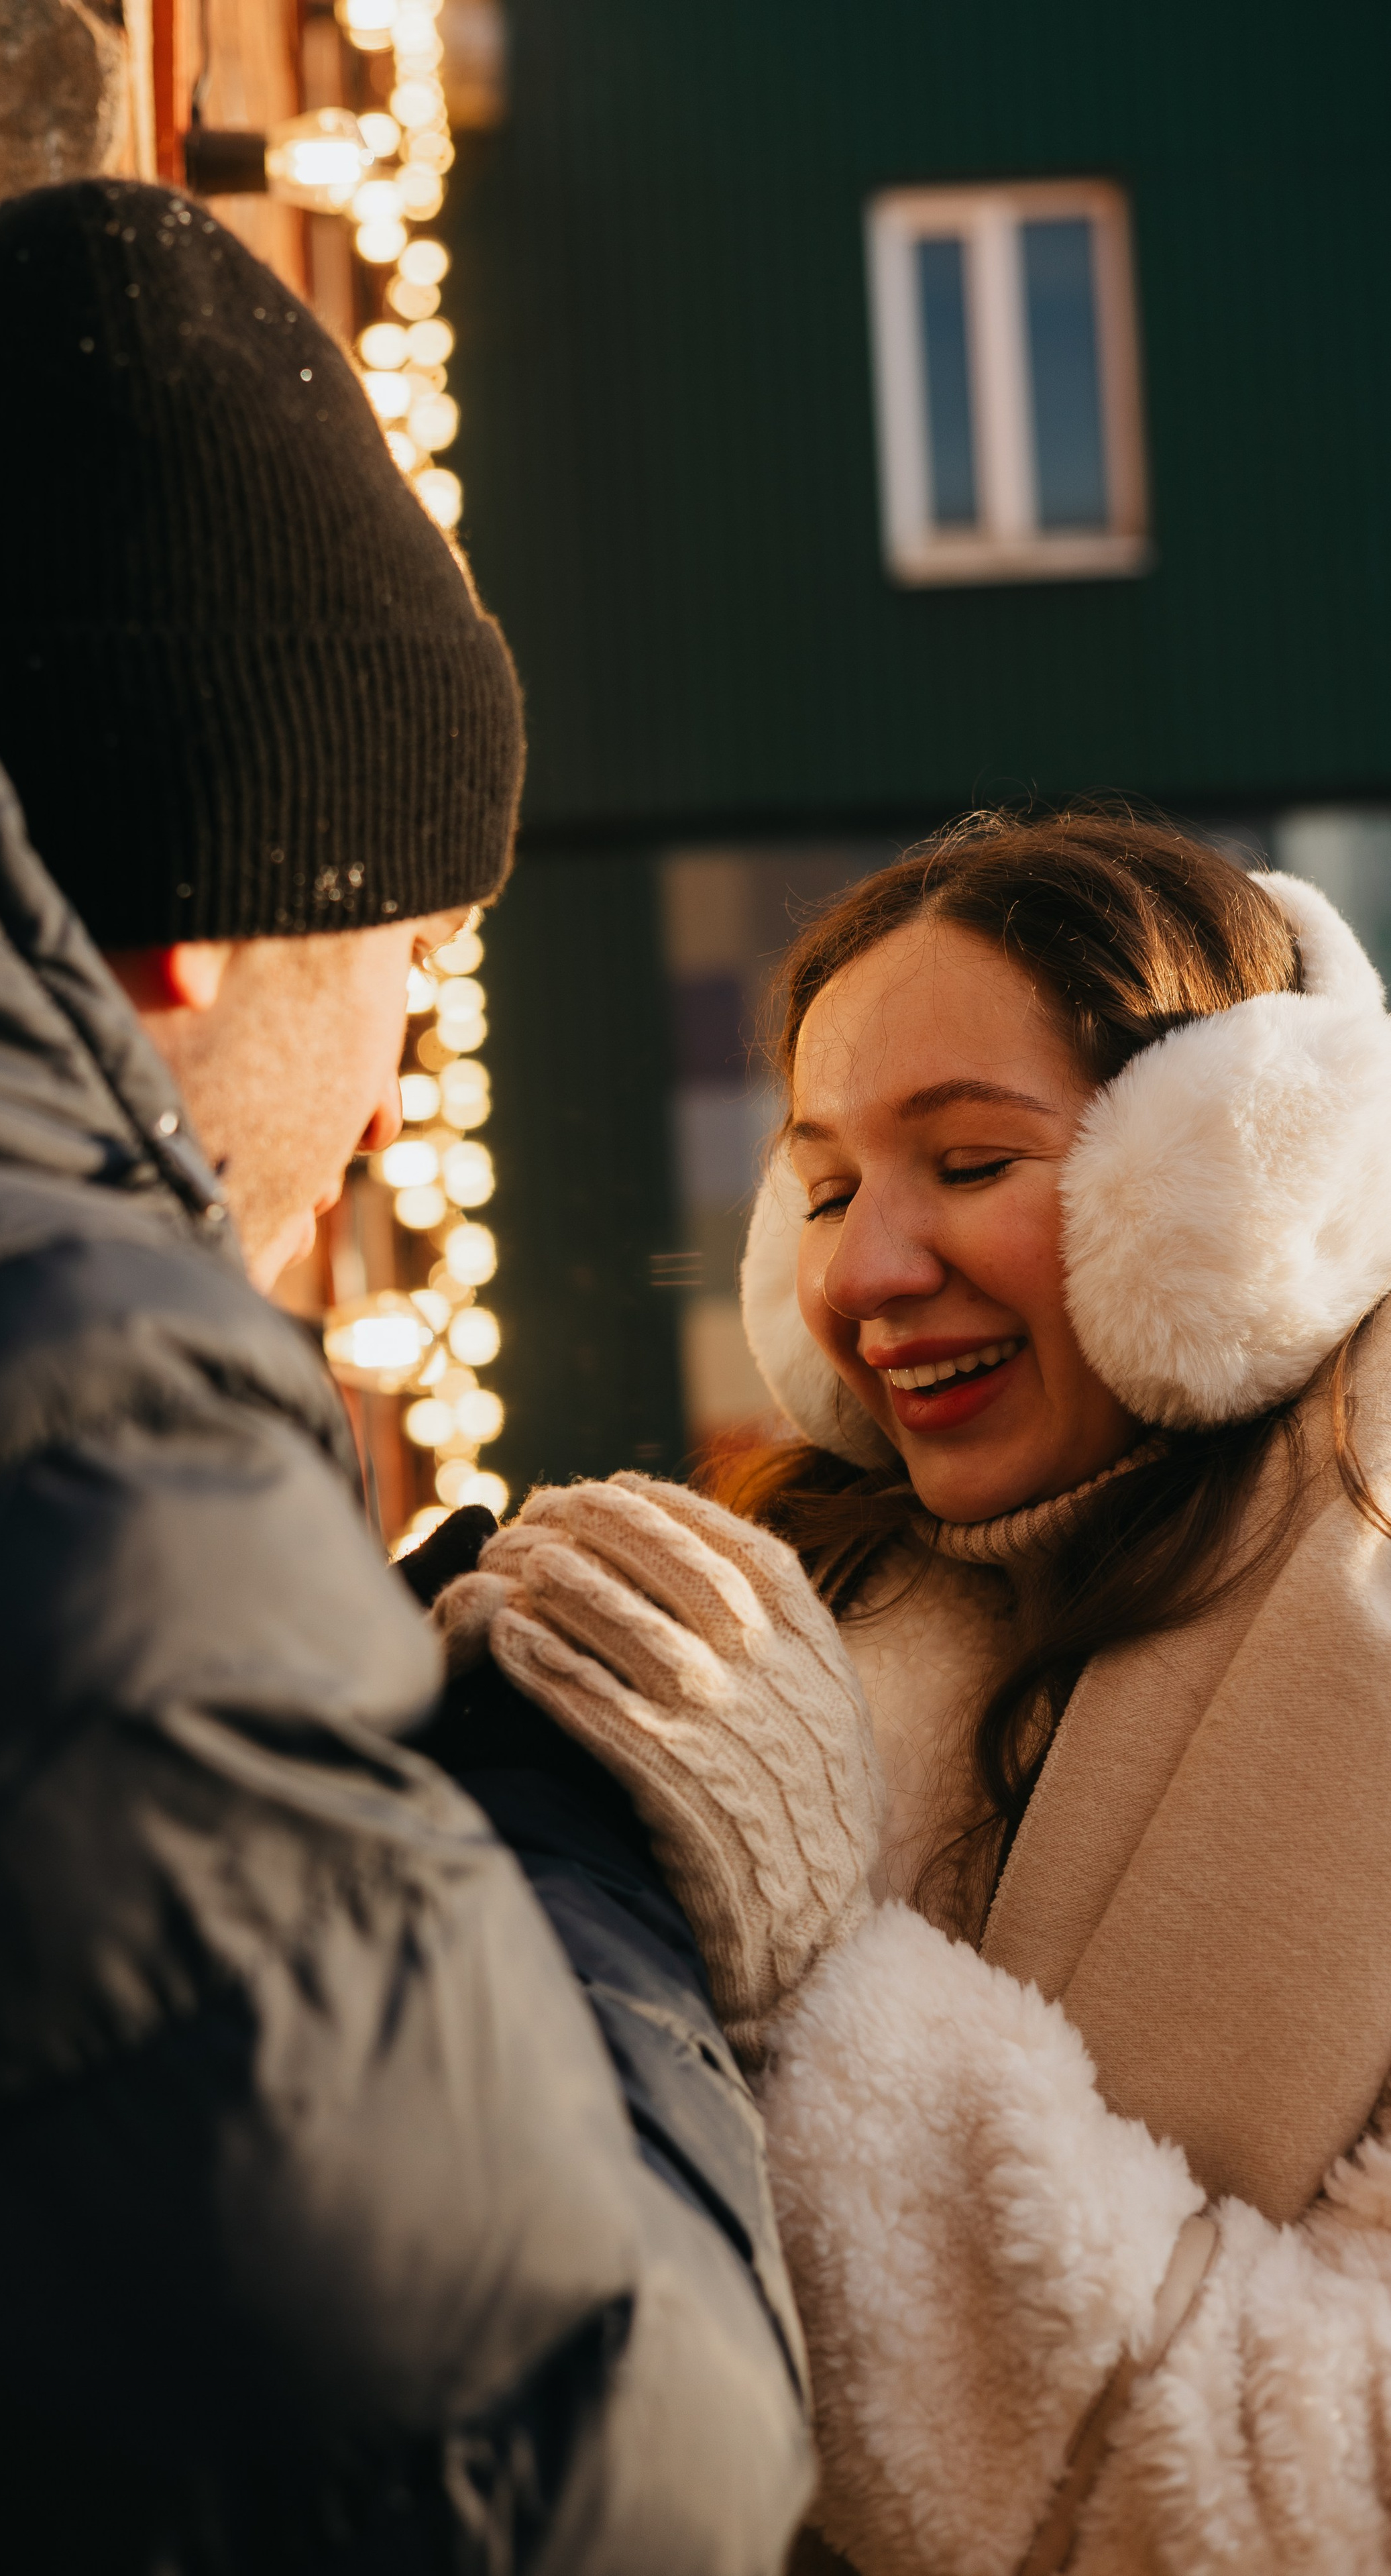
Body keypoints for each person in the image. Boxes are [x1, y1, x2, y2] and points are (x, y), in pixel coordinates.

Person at [0, 181, 812, 2571]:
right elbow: (585, 2488)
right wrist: (567, 1843)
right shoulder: (5, 1410)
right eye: (413, 947)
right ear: (206, 913)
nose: (397, 1092)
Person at [446, 809, 1391, 2572]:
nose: (861, 1275)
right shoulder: (807, 1604)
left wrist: (821, 1980)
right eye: (823, 1191)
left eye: (965, 1163)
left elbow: (1327, 2499)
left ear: (1234, 1188)